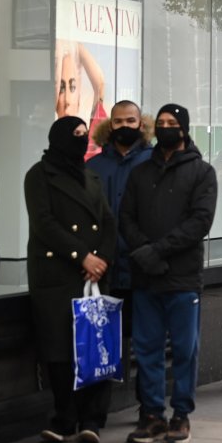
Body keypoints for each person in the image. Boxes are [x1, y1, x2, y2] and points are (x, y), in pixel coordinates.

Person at [120, 104, 217, 443]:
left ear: (184, 129)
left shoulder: (202, 172)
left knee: (184, 349)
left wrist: (158, 251)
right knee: (146, 349)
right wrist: (145, 253)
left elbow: (200, 222)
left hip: (181, 278)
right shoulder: (140, 172)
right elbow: (126, 217)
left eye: (172, 123)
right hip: (146, 277)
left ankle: (180, 415)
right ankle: (150, 415)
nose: (165, 128)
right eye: (160, 123)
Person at [24, 117, 116, 443]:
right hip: (57, 274)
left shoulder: (90, 175)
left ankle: (92, 419)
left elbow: (107, 221)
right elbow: (44, 223)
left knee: (94, 345)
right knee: (59, 351)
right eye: (75, 135)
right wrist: (83, 256)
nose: (81, 140)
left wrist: (101, 259)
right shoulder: (39, 175)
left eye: (84, 134)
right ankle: (65, 417)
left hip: (92, 277)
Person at [87, 101, 153, 312]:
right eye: (118, 121)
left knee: (144, 339)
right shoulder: (93, 166)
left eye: (130, 120)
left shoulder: (155, 162)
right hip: (103, 269)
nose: (124, 125)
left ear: (141, 124)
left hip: (144, 268)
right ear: (110, 125)